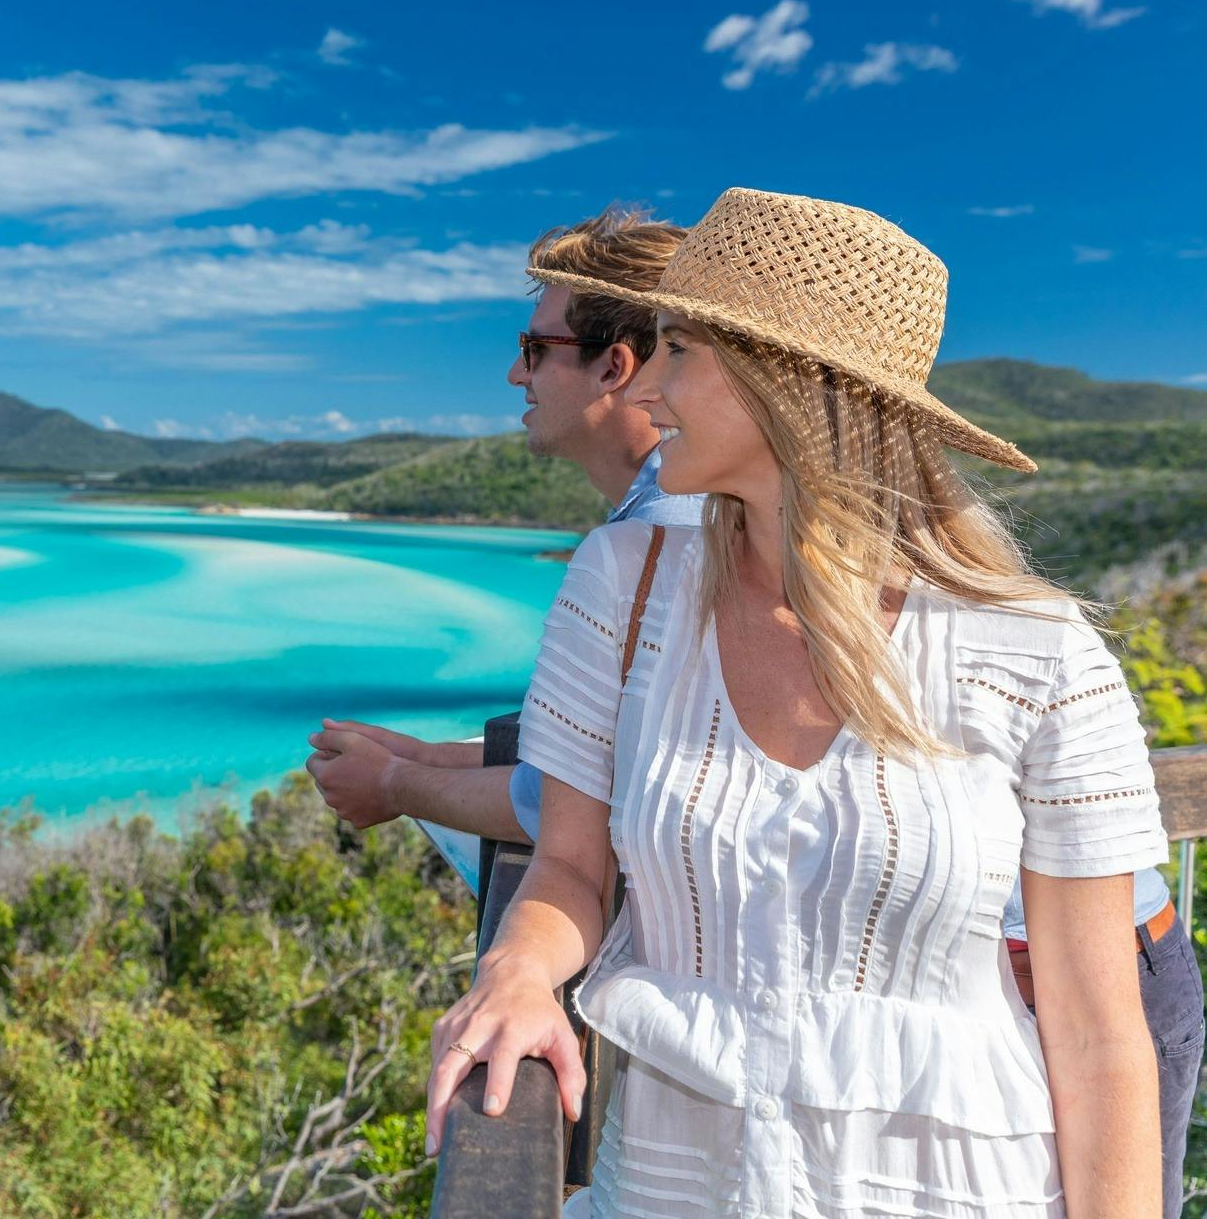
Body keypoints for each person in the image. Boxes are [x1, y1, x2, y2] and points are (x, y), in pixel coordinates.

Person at [422, 187, 1184, 1218]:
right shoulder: (622, 586)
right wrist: (516, 970)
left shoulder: (1038, 652)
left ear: (786, 382)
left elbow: (1099, 1036)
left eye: (679, 349)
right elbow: (568, 866)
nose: (653, 387)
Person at [306, 206, 703, 842]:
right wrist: (424, 756)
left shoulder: (666, 534)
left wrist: (393, 784)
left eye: (536, 349)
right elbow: (597, 758)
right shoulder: (669, 512)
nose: (516, 373)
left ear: (613, 368)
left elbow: (580, 806)